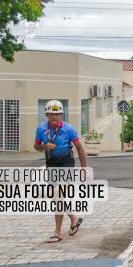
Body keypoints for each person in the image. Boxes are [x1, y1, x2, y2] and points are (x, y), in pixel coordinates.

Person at [34, 99, 88, 243]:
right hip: (51, 164)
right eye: (51, 114)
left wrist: (84, 168)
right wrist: (44, 147)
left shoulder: (69, 129)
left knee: (58, 194)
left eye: (57, 114)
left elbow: (79, 148)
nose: (54, 117)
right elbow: (36, 146)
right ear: (46, 114)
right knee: (56, 197)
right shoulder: (41, 129)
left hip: (66, 163)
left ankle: (57, 232)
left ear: (61, 115)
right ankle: (74, 218)